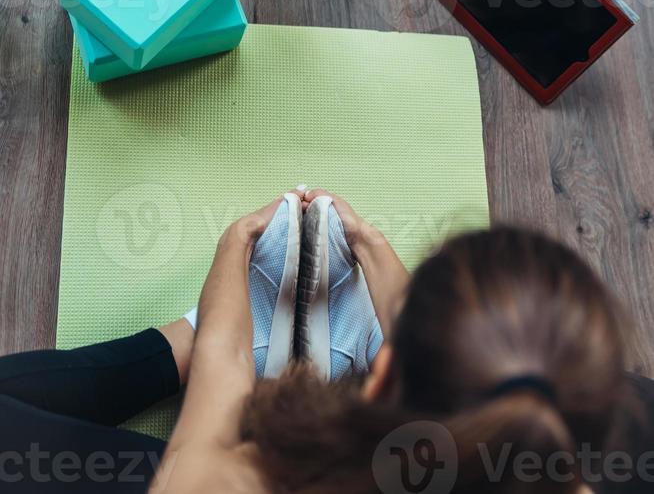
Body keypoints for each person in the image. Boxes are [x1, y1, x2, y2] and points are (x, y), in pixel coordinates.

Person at [0, 189, 651, 493]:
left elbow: (227, 366)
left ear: (385, 369)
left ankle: (181, 342)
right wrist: (369, 246)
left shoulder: (217, 484)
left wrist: (236, 245)